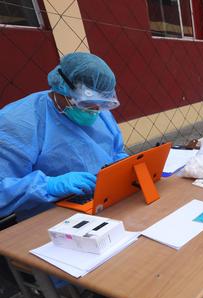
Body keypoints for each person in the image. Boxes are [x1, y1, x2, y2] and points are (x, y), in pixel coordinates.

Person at [0, 52, 127, 221]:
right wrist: (49, 186)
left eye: (101, 104)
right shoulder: (16, 122)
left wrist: (122, 165)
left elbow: (116, 151)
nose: (94, 111)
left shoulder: (98, 111)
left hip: (102, 203)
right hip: (47, 218)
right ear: (61, 88)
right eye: (86, 104)